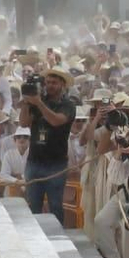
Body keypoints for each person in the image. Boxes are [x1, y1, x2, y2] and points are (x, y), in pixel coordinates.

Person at [21, 66, 77, 222]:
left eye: (54, 82)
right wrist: (26, 102)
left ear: (63, 85)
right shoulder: (38, 101)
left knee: (55, 206)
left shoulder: (68, 105)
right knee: (33, 205)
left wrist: (38, 103)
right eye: (48, 82)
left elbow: (56, 120)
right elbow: (24, 122)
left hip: (56, 164)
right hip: (34, 161)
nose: (50, 85)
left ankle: (58, 240)